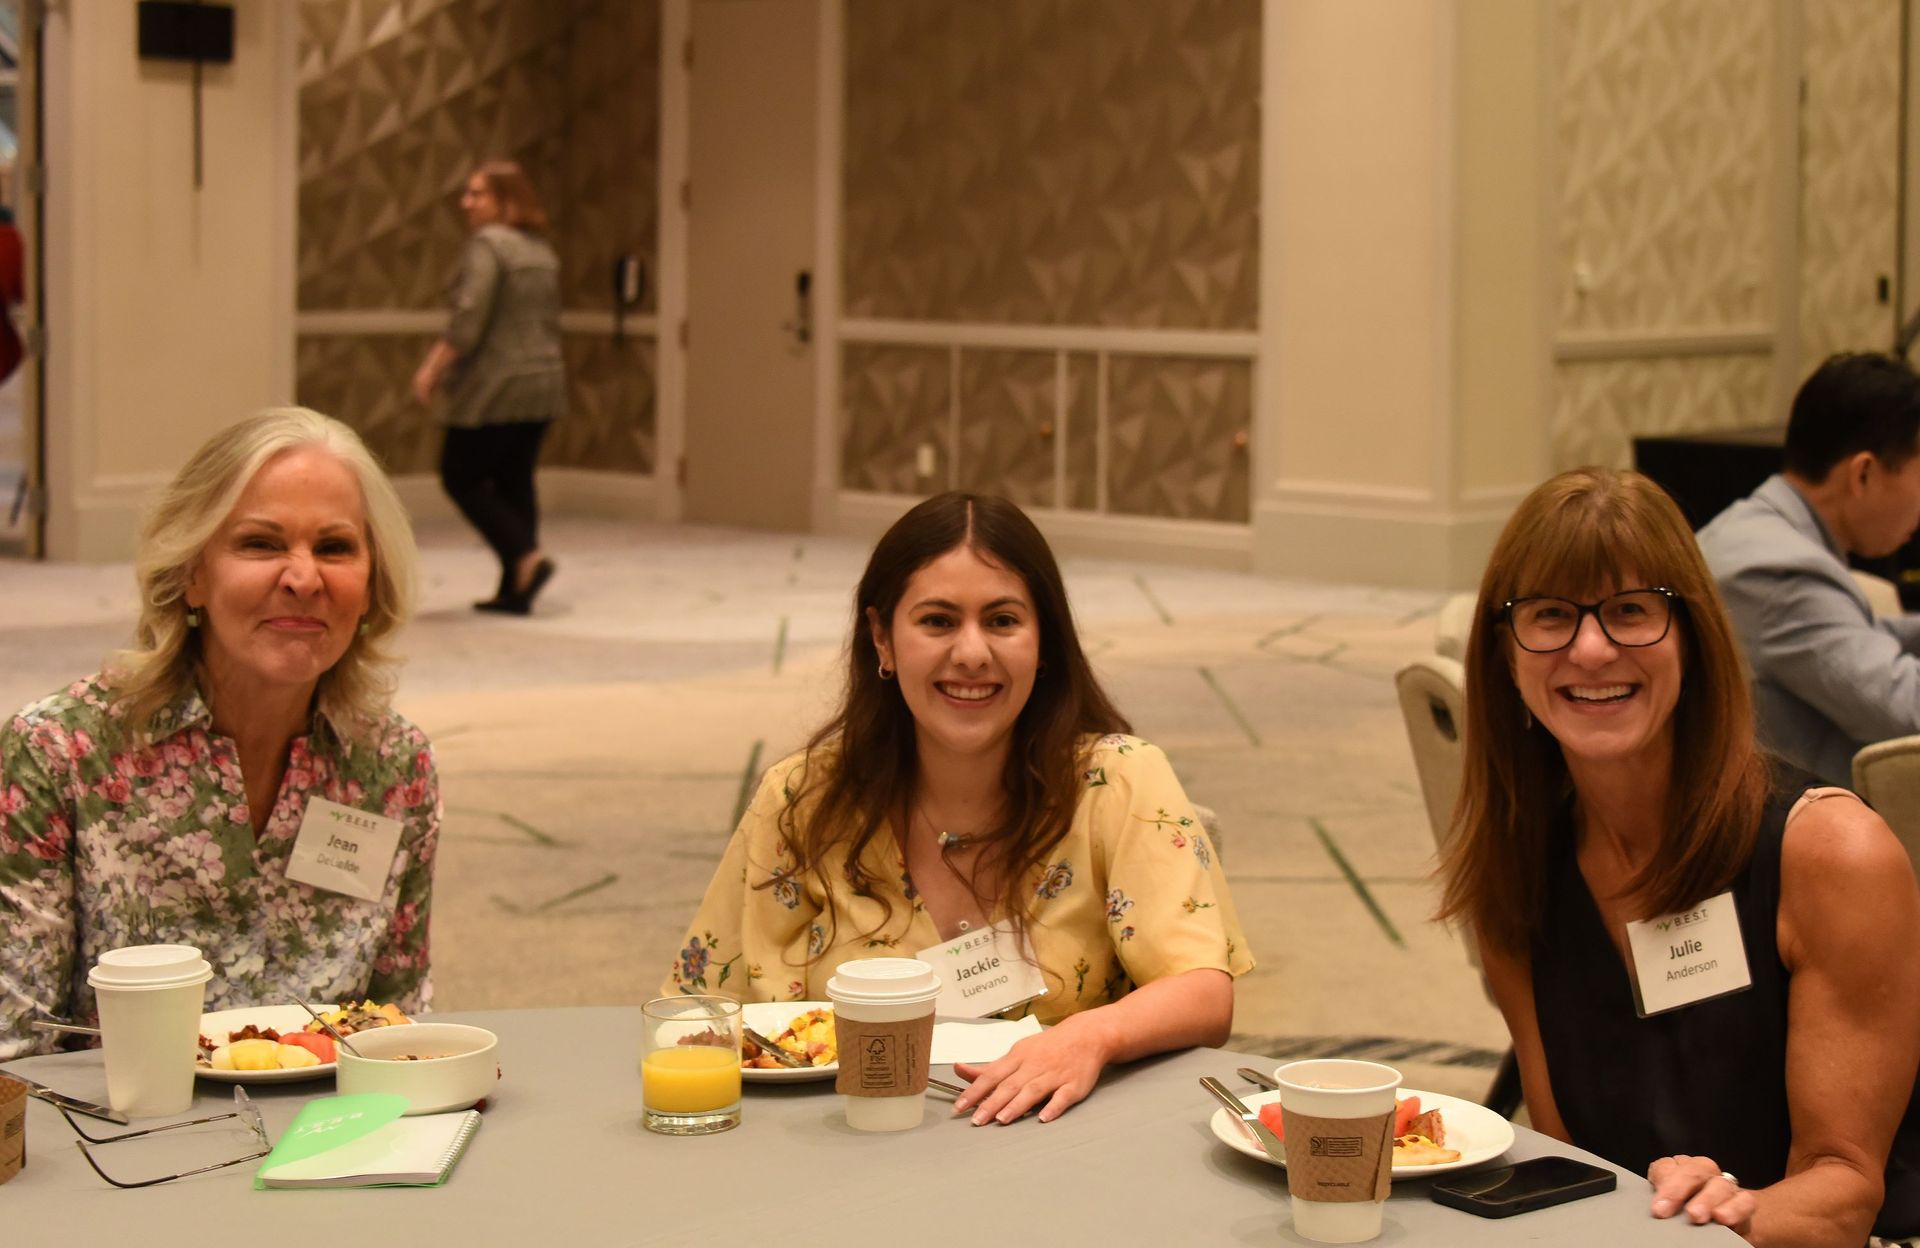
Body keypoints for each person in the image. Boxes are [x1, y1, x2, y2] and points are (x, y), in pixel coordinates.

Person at [1440, 467, 1920, 1245]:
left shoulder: (1830, 854)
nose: (1590, 649)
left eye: (1632, 612)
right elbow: (1572, 1161)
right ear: (1504, 653)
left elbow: (1843, 1194)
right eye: (1551, 615)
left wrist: (1709, 1217)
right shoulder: (1517, 873)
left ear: (1693, 637)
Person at [662, 492, 1253, 1124]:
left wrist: (1088, 1036)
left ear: (1044, 643)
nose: (972, 653)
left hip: (1059, 1145)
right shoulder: (803, 800)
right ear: (882, 640)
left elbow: (1203, 994)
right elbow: (695, 1016)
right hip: (844, 1149)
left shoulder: (1119, 781)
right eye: (939, 621)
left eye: (1002, 621)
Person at [0, 408, 440, 1061]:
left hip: (329, 1143)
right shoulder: (60, 755)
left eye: (334, 547)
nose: (302, 577)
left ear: (372, 584)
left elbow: (401, 1029)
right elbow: (16, 1050)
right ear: (191, 574)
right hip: (124, 1145)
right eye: (261, 544)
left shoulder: (395, 766)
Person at [1697, 352, 1920, 787]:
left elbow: (1860, 633)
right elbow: (1907, 711)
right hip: (1792, 835)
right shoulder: (1781, 573)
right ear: (1864, 474)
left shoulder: (1759, 529)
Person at [411, 159, 563, 615]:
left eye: (477, 194)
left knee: (460, 474)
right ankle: (516, 586)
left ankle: (524, 557)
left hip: (497, 383)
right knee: (515, 479)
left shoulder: (489, 246)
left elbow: (469, 319)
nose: (466, 203)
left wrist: (432, 368)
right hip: (545, 381)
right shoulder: (539, 250)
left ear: (505, 200)